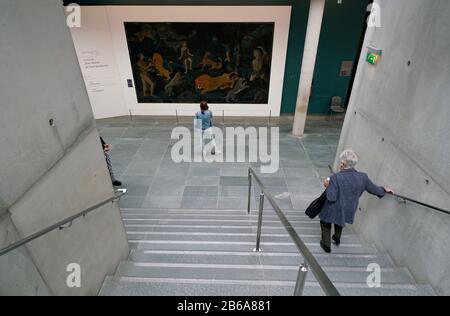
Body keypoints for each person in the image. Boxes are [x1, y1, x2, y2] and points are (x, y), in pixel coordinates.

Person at [319, 149, 393, 253]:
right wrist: (384, 190)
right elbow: (373, 189)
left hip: (334, 207)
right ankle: (336, 238)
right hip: (349, 207)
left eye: (341, 161)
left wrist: (327, 185)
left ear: (343, 163)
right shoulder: (363, 177)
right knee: (340, 219)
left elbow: (331, 197)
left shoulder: (335, 178)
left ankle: (326, 245)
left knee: (325, 222)